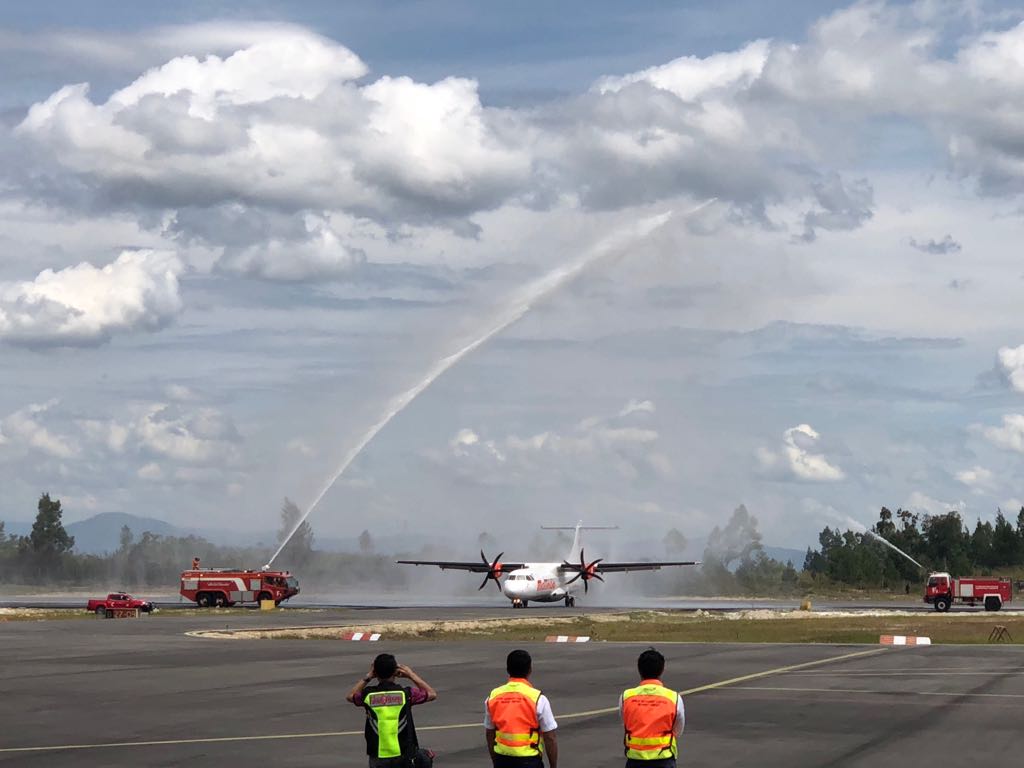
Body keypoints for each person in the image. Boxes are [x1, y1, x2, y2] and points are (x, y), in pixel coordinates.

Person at [348, 653, 437, 767]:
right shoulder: (406, 694)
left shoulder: (368, 695)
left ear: (375, 671)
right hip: (403, 752)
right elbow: (431, 694)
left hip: (378, 754)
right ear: (395, 671)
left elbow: (351, 696)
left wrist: (369, 676)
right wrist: (411, 675)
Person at [485, 649, 558, 768]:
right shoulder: (538, 698)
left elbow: (489, 733)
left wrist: (496, 761)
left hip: (502, 759)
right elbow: (550, 737)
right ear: (530, 670)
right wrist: (553, 766)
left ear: (508, 670)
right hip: (529, 760)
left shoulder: (493, 697)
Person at [619, 648, 684, 767]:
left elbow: (625, 722)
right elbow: (678, 731)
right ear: (662, 670)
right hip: (663, 757)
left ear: (639, 669)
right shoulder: (673, 698)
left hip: (635, 759)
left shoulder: (626, 696)